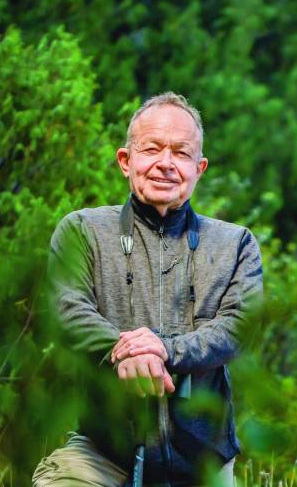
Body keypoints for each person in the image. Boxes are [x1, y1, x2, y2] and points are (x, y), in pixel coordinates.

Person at [32, 92, 263, 486]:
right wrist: (120, 351)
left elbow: (240, 326)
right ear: (126, 160)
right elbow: (67, 307)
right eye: (152, 148)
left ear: (199, 167)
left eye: (181, 153)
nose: (165, 163)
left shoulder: (236, 242)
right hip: (102, 452)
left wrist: (165, 350)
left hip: (204, 461)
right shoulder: (82, 230)